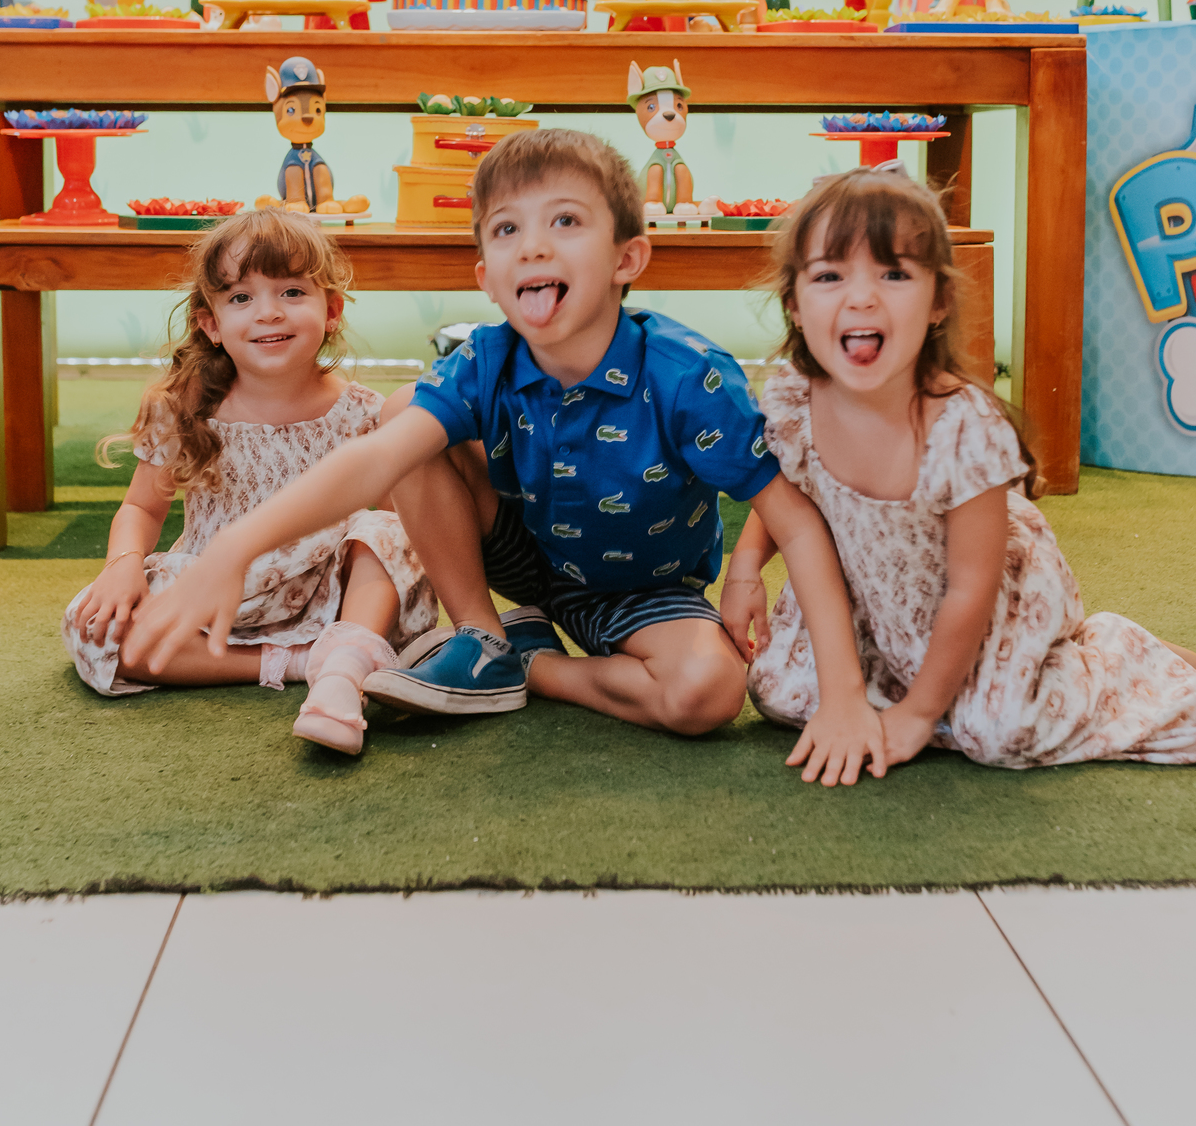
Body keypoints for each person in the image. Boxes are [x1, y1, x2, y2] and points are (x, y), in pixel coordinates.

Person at [123, 131, 888, 786]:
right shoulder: (485, 359)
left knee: (710, 694)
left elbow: (797, 521)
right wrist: (233, 548)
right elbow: (377, 459)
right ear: (487, 276)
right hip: (520, 551)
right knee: (403, 419)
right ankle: (484, 635)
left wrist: (845, 695)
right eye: (507, 229)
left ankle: (533, 663)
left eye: (565, 220)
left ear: (630, 256)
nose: (536, 245)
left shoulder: (689, 374)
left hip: (642, 587)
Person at [724, 165, 1196, 771]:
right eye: (830, 275)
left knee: (999, 733)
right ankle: (911, 684)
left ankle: (1117, 653)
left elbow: (972, 588)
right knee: (779, 692)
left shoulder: (963, 428)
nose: (861, 296)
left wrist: (920, 714)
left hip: (982, 603)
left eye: (894, 273)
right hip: (867, 595)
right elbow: (786, 490)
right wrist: (743, 570)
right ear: (794, 302)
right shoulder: (793, 397)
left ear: (939, 302)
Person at [63, 211, 435, 756]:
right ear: (210, 323)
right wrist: (121, 570)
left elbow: (382, 535)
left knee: (388, 532)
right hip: (216, 594)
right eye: (240, 298)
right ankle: (303, 663)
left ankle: (348, 654)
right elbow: (142, 509)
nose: (268, 312)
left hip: (326, 594)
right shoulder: (183, 407)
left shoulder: (362, 412)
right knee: (107, 631)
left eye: (291, 291)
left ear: (330, 311)